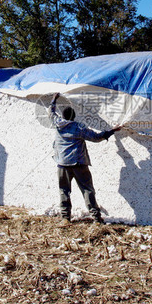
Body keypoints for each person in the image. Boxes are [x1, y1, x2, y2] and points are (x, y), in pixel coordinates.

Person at [49, 92, 120, 224]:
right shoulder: (79, 128)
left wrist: (54, 99)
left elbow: (51, 113)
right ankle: (96, 218)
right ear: (74, 117)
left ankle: (65, 218)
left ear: (63, 116)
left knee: (64, 191)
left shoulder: (58, 123)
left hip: (62, 164)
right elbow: (97, 137)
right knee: (87, 190)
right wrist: (112, 130)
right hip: (79, 163)